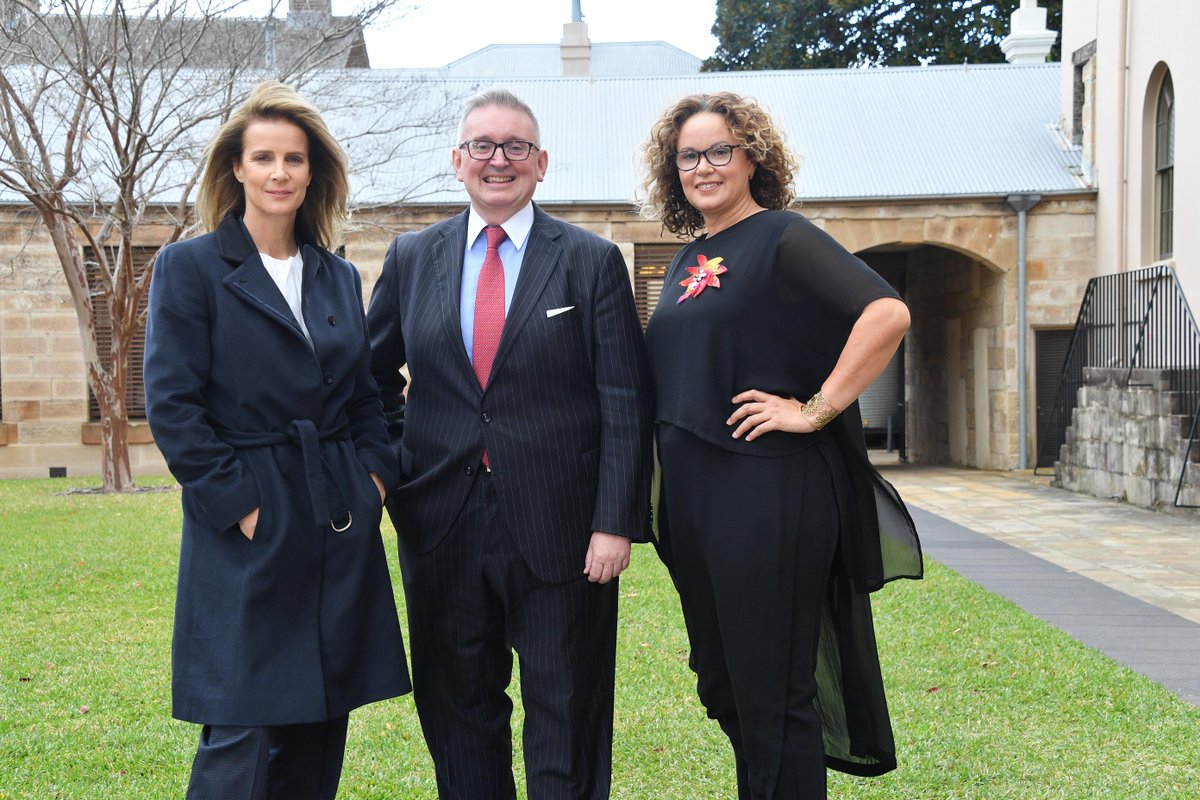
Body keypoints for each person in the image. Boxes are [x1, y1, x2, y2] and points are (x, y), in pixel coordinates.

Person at [367, 87, 654, 799]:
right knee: (458, 707)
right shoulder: (412, 257)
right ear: (457, 161)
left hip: (565, 531)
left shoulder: (590, 261)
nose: (499, 160)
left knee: (567, 708)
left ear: (542, 163)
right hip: (440, 524)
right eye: (483, 147)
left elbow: (624, 397)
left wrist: (614, 520)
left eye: (516, 147)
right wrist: (402, 466)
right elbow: (369, 380)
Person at [639, 91, 923, 799]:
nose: (702, 166)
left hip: (769, 492)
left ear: (751, 156)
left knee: (774, 694)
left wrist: (816, 408)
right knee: (726, 686)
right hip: (698, 504)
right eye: (687, 156)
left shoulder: (783, 236)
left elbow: (887, 313)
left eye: (718, 151)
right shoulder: (687, 260)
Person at [143, 80, 411, 800]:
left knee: (321, 715)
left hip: (336, 511)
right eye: (263, 157)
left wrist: (373, 480)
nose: (280, 173)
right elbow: (172, 404)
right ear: (235, 167)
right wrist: (241, 504)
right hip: (250, 519)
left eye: (294, 159)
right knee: (243, 721)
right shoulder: (191, 268)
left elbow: (363, 397)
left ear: (313, 172)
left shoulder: (333, 274)